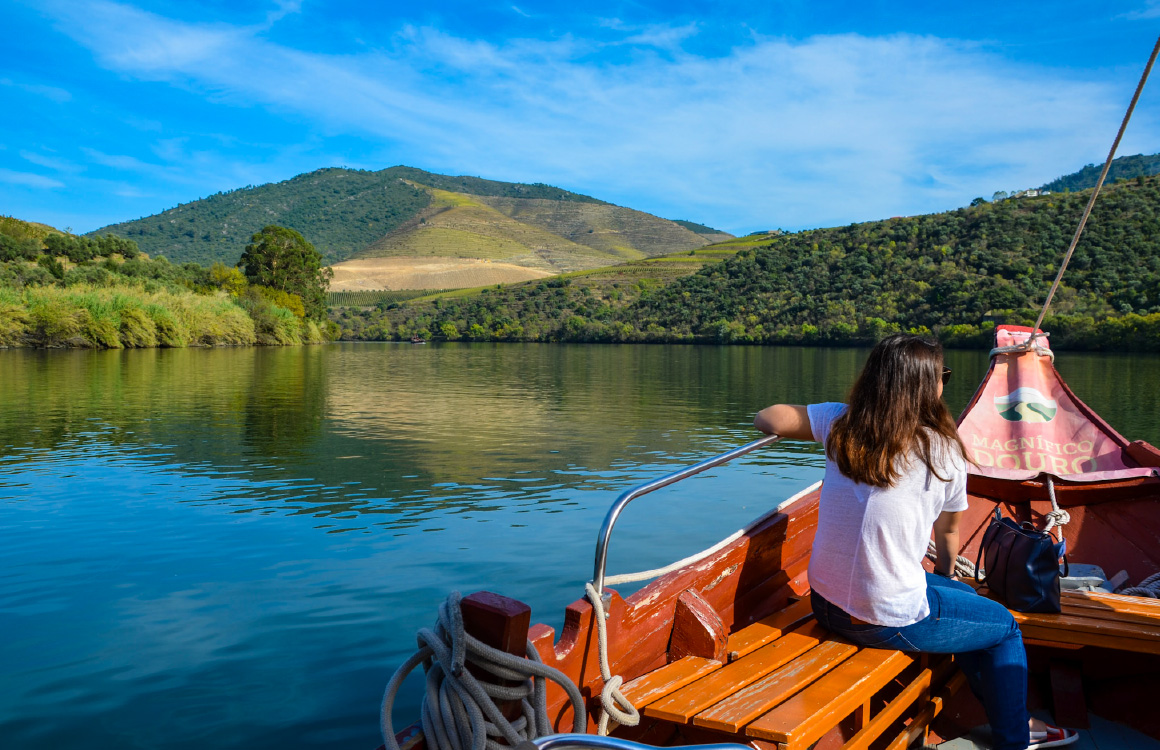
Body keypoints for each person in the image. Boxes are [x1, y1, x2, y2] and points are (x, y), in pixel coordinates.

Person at [754, 334, 1076, 750]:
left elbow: (768, 418)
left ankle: (1005, 712)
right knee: (1004, 627)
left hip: (827, 604)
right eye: (942, 376)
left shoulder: (840, 423)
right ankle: (1015, 735)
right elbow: (946, 533)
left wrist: (945, 586)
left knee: (964, 602)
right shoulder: (944, 450)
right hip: (885, 619)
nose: (944, 382)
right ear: (930, 387)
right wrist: (944, 575)